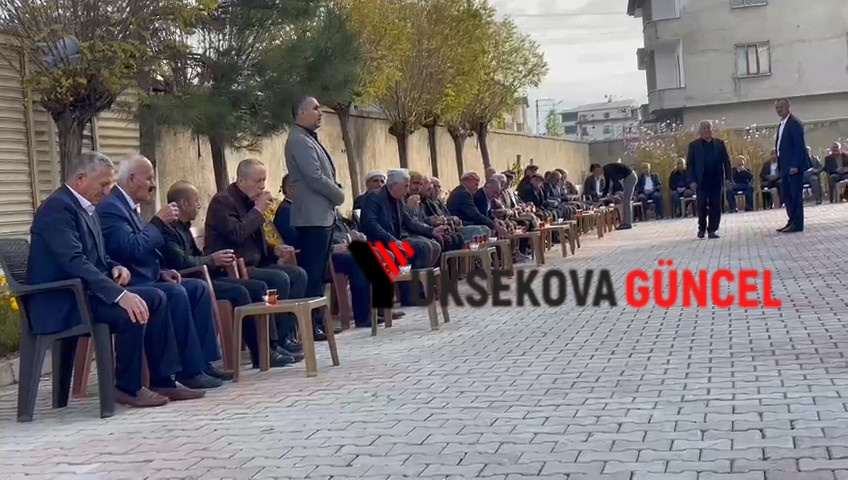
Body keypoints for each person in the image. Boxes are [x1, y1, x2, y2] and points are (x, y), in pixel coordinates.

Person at [26, 151, 197, 408]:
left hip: (83, 295)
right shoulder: (56, 210)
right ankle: (127, 387)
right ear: (81, 178)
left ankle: (163, 380)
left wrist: (115, 266)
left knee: (156, 297)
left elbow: (96, 256)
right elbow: (74, 261)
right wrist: (120, 295)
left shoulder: (86, 208)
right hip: (62, 302)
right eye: (104, 184)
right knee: (132, 308)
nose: (108, 191)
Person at [97, 154, 225, 390]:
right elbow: (131, 249)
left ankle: (201, 363)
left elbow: (143, 250)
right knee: (175, 293)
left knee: (197, 288)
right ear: (133, 179)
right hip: (129, 282)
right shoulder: (111, 208)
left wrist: (163, 270)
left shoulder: (128, 206)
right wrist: (158, 222)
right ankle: (183, 372)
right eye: (149, 178)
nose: (153, 184)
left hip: (147, 276)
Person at [160, 181, 299, 368]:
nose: (200, 205)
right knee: (260, 286)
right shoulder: (219, 204)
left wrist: (274, 250)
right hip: (205, 277)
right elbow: (182, 261)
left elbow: (197, 255)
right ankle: (261, 351)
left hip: (220, 272)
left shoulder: (184, 226)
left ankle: (274, 341)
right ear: (184, 204)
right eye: (196, 201)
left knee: (265, 286)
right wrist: (212, 260)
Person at [204, 158, 315, 342]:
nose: (262, 186)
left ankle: (284, 335)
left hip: (257, 264)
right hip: (234, 268)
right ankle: (271, 341)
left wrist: (275, 250)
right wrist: (258, 211)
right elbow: (237, 234)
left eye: (264, 180)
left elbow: (256, 241)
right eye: (258, 181)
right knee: (278, 279)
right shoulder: (223, 202)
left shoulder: (251, 201)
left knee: (298, 275)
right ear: (241, 181)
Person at [285, 96, 345, 328]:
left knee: (319, 274)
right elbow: (314, 177)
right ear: (301, 113)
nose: (320, 112)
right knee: (312, 273)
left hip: (321, 215)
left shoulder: (308, 138)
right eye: (315, 108)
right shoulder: (298, 140)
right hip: (311, 217)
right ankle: (311, 324)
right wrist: (338, 195)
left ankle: (318, 321)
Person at [359, 169, 448, 306]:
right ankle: (409, 296)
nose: (408, 190)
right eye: (406, 186)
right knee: (416, 248)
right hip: (378, 241)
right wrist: (392, 240)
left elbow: (409, 222)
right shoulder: (373, 198)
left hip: (395, 239)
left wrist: (432, 231)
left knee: (428, 246)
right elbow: (370, 225)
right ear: (395, 185)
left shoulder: (398, 199)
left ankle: (419, 291)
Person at [686, 120, 732, 239]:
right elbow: (690, 165)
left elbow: (726, 162)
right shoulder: (694, 145)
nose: (707, 130)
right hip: (701, 181)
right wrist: (691, 181)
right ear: (700, 131)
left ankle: (712, 229)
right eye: (704, 128)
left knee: (715, 205)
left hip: (716, 179)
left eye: (709, 127)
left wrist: (728, 178)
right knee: (701, 204)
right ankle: (701, 227)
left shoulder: (719, 144)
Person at [774, 98, 810, 233]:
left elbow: (799, 146)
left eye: (781, 107)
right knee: (787, 195)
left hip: (793, 167)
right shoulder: (782, 123)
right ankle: (792, 220)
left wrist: (795, 165)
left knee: (795, 196)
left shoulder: (794, 123)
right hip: (784, 165)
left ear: (788, 107)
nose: (779, 110)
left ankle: (797, 224)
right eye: (777, 108)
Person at [599, 162, 638, 230]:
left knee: (626, 201)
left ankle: (628, 223)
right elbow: (607, 184)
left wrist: (613, 193)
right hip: (627, 177)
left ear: (598, 168)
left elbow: (615, 181)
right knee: (625, 201)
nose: (597, 174)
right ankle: (625, 222)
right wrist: (603, 195)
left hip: (629, 177)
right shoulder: (606, 171)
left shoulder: (608, 169)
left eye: (596, 172)